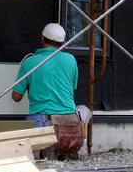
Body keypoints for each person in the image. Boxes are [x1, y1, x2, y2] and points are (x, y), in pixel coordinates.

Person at [12, 23, 86, 158]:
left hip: (41, 122)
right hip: (69, 122)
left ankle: (46, 150)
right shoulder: (71, 60)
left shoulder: (30, 62)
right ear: (63, 42)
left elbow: (16, 97)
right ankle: (70, 150)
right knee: (85, 110)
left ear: (42, 38)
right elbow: (72, 88)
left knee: (34, 118)